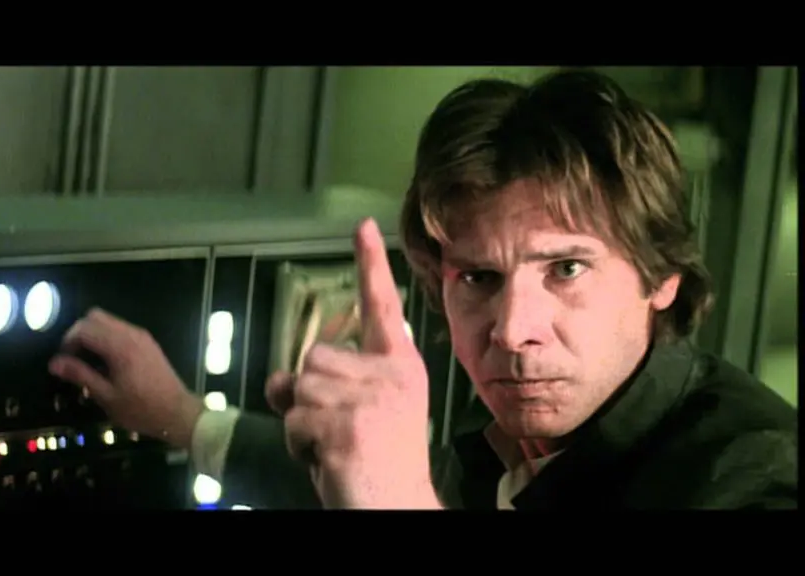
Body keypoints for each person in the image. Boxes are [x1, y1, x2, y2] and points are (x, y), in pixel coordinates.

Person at [48, 69, 798, 510]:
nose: (512, 328)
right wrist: (183, 418)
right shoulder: (518, 440)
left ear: (662, 276)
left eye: (565, 269)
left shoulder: (756, 478)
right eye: (479, 278)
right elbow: (396, 482)